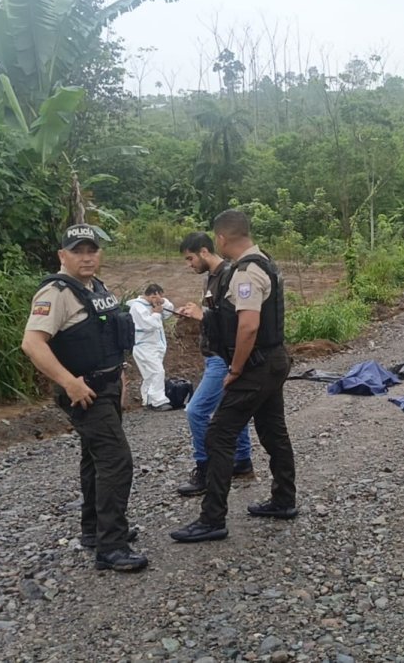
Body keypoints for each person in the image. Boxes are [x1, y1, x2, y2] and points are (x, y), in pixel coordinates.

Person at [20, 224, 147, 572]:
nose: (87, 257)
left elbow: (106, 336)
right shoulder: (56, 293)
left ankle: (94, 530)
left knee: (95, 460)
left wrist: (119, 374)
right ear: (63, 255)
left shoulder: (94, 288)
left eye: (92, 250)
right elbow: (32, 344)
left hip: (106, 386)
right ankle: (111, 547)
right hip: (84, 392)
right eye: (78, 251)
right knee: (116, 460)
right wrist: (69, 383)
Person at [170, 209, 297, 543]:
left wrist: (236, 368)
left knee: (219, 435)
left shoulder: (246, 272)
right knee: (273, 431)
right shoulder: (265, 262)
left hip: (256, 365)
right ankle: (284, 499)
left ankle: (212, 519)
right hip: (273, 360)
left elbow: (249, 324)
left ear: (222, 238)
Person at [174, 232, 254, 498]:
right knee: (229, 409)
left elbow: (235, 320)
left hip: (222, 359)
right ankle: (242, 460)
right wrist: (200, 313)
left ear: (205, 251)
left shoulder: (230, 275)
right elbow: (217, 315)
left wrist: (203, 314)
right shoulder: (213, 277)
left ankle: (205, 468)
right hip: (215, 357)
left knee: (196, 411)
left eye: (190, 258)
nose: (189, 265)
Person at [127, 283, 174, 410]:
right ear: (150, 295)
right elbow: (150, 324)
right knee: (157, 372)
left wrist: (162, 302)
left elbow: (168, 312)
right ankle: (158, 401)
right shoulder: (137, 308)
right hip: (144, 346)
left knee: (150, 375)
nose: (158, 299)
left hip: (156, 345)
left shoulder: (153, 305)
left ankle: (147, 399)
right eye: (156, 296)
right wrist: (156, 313)